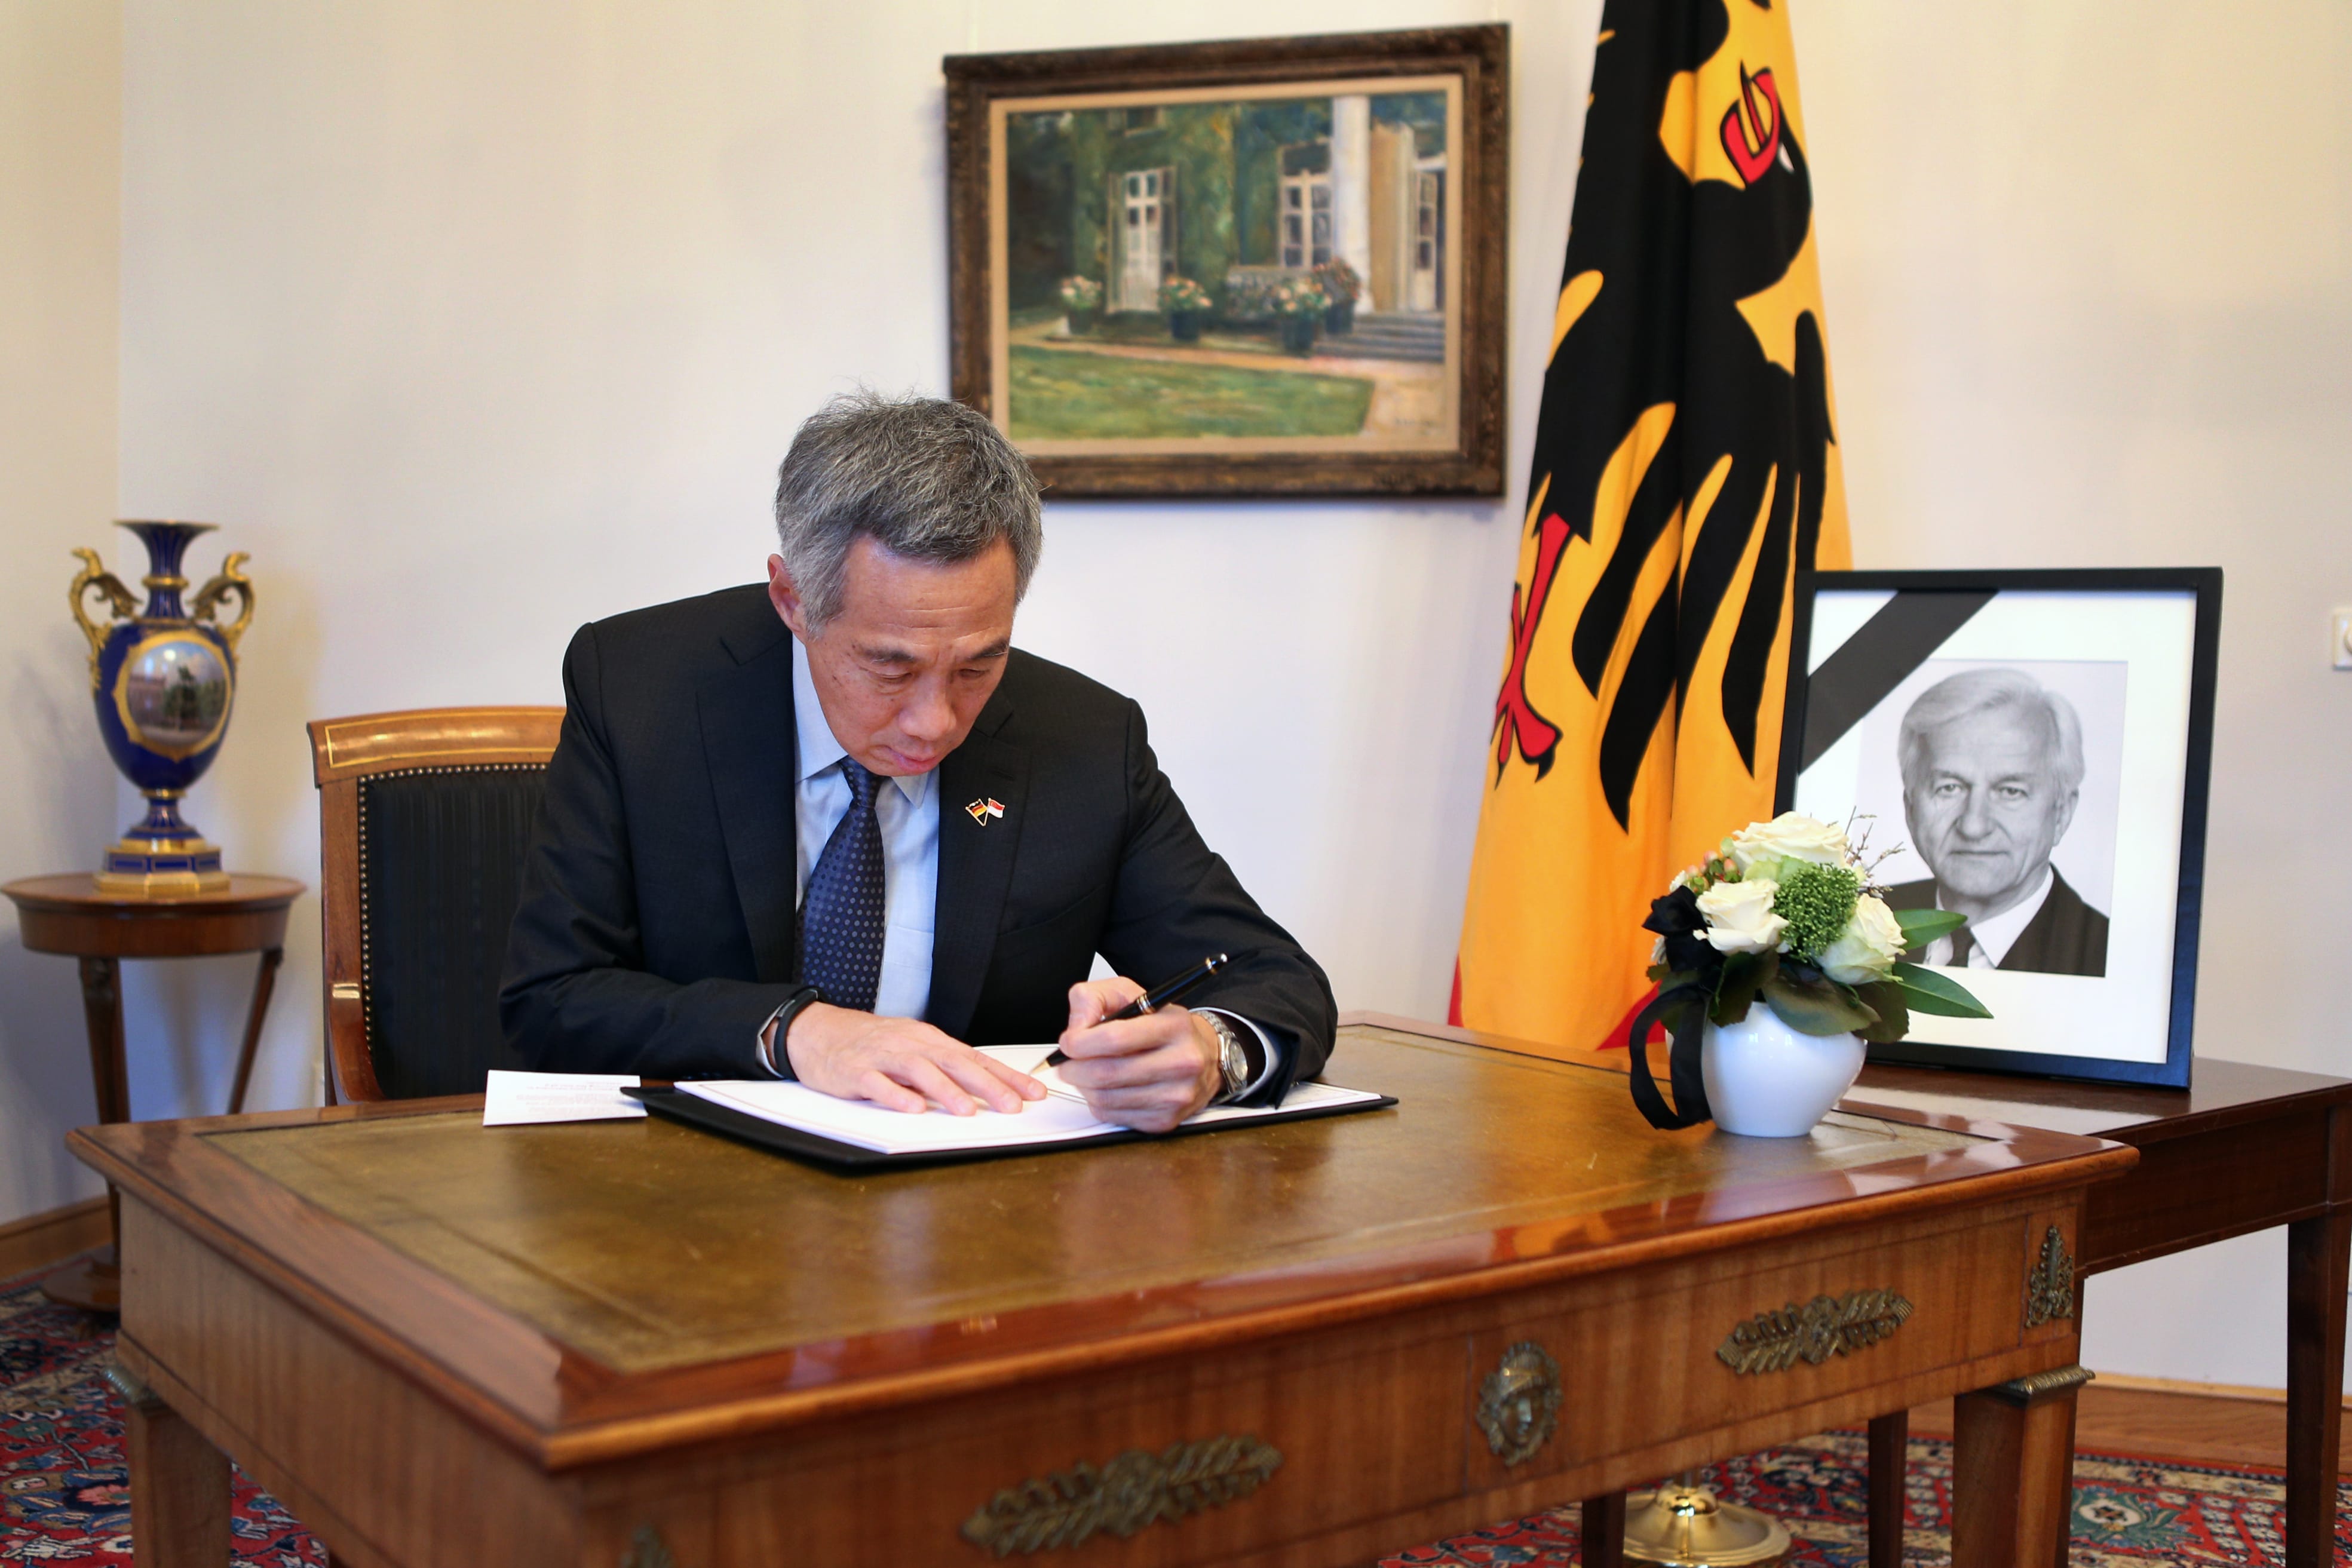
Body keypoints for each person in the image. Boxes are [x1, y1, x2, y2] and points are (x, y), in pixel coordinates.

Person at [500, 392, 1336, 1132]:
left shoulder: (1083, 738)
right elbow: (552, 999)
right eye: (890, 666)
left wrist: (1212, 1050)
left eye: (978, 664)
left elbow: (1271, 977)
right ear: (793, 600)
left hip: (972, 1217)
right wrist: (796, 1032)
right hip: (689, 1207)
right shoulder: (644, 689)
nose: (935, 721)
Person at [1883, 667, 2108, 977]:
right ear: (1910, 808)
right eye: (1950, 787)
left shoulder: (2105, 955)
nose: (1974, 827)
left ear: (2062, 814)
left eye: (2010, 792)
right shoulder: (1857, 922)